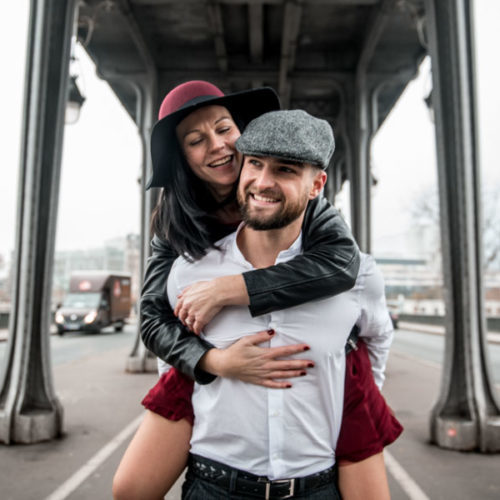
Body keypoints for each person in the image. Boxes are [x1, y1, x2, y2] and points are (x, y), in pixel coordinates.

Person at [112, 82, 402, 500]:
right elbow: (155, 318)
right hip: (213, 404)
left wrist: (235, 289)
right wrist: (210, 362)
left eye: (224, 129)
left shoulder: (309, 207)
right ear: (183, 157)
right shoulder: (178, 234)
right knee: (132, 486)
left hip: (314, 426)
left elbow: (343, 265)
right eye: (196, 140)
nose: (218, 146)